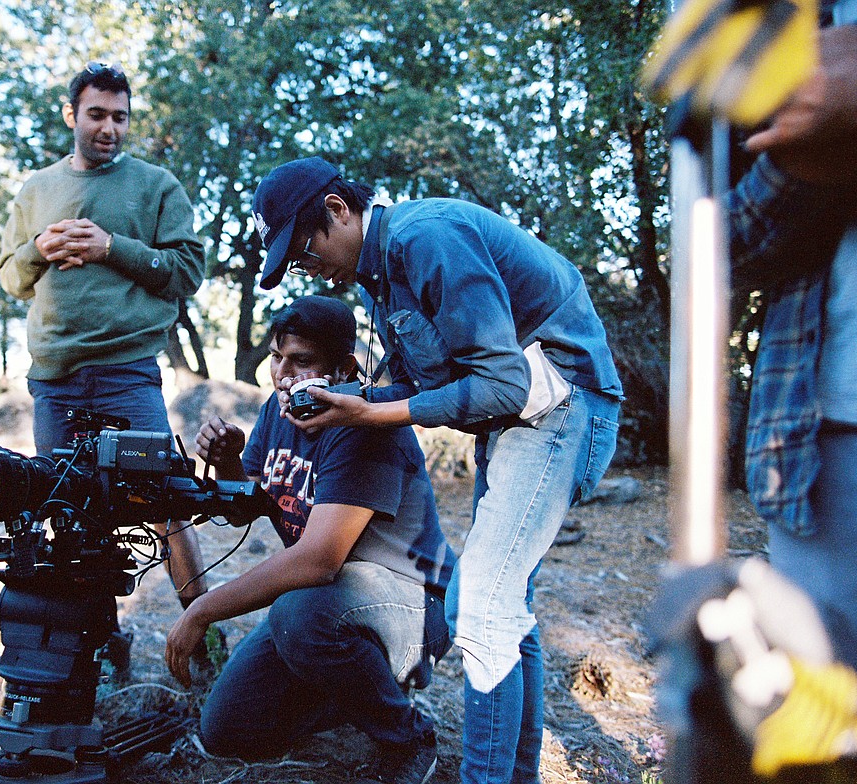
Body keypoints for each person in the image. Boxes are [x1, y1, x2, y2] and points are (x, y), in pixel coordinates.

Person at [249, 158, 623, 784]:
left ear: (339, 209)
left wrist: (374, 412)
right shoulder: (377, 274)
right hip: (514, 421)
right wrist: (353, 404)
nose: (304, 265)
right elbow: (429, 382)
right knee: (507, 607)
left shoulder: (425, 238)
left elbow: (501, 381)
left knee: (480, 607)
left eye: (305, 245)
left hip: (562, 405)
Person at [165, 296, 456, 784]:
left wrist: (203, 608)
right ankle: (349, 692)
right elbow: (249, 508)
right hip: (332, 609)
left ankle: (407, 737)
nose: (283, 374)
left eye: (302, 361)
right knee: (226, 730)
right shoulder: (279, 413)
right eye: (278, 357)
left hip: (410, 610)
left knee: (296, 612)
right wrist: (228, 462)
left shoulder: (364, 421)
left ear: (343, 368)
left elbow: (319, 560)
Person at [0, 62, 209, 612]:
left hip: (129, 375)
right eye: (96, 115)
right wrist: (38, 248)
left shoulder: (157, 186)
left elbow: (187, 272)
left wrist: (111, 247)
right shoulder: (37, 189)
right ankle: (93, 643)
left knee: (165, 502)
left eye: (120, 117)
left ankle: (201, 631)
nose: (109, 128)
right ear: (72, 115)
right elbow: (10, 277)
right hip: (55, 382)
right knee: (66, 512)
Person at [725, 20, 857, 681]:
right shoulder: (780, 28)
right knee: (831, 717)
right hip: (831, 426)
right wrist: (801, 157)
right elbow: (722, 245)